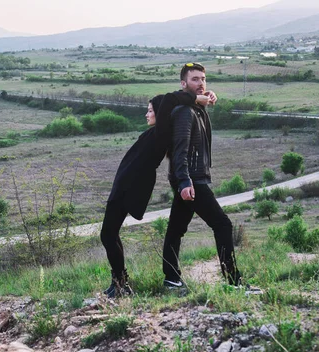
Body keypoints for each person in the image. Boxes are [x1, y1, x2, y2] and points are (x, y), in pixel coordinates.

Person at [101, 89, 217, 298]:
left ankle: (121, 284)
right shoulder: (156, 132)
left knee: (108, 234)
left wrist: (198, 98)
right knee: (109, 233)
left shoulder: (163, 132)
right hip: (124, 185)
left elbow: (171, 99)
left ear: (161, 113)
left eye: (150, 111)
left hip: (130, 187)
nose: (146, 115)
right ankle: (119, 282)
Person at [162, 62, 242, 289]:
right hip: (192, 179)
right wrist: (185, 181)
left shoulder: (196, 108)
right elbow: (180, 150)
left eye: (203, 79)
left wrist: (204, 99)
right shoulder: (185, 112)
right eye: (194, 79)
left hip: (188, 178)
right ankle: (233, 281)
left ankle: (171, 279)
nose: (200, 83)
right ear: (183, 83)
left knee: (175, 230)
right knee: (223, 225)